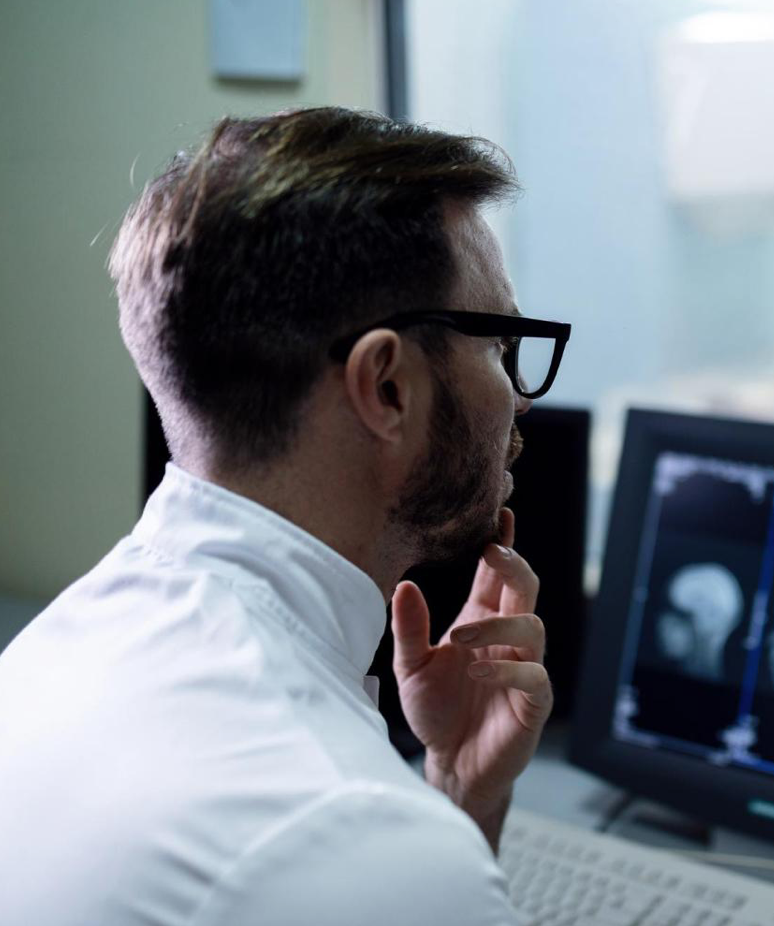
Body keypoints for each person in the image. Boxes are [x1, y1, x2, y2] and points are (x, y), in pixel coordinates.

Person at [0, 107, 570, 924]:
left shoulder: (50, 654)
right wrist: (426, 846)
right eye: (498, 343)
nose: (517, 395)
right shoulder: (351, 834)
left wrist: (454, 797)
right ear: (387, 387)